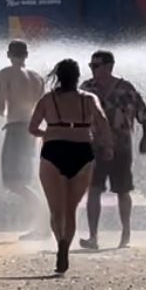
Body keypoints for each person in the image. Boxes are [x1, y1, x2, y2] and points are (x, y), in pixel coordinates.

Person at [27, 59, 114, 275]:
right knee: (71, 209)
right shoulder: (89, 99)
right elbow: (103, 121)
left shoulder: (48, 99)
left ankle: (61, 246)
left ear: (58, 76)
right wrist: (107, 146)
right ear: (77, 77)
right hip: (82, 151)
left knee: (56, 210)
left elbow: (32, 127)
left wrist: (47, 133)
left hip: (53, 151)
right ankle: (66, 245)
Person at [80, 49, 146, 250]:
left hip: (121, 146)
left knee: (122, 189)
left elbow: (144, 115)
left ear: (109, 67)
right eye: (91, 66)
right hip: (94, 146)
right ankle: (93, 235)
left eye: (96, 66)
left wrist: (145, 138)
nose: (92, 70)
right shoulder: (87, 88)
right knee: (94, 189)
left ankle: (126, 231)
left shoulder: (126, 89)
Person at [0, 39, 47, 236]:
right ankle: (41, 223)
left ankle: (43, 221)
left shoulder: (5, 73)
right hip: (31, 129)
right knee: (25, 178)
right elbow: (43, 108)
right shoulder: (37, 77)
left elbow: (1, 105)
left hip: (16, 127)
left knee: (13, 181)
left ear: (9, 54)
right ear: (26, 55)